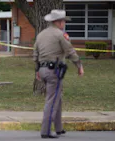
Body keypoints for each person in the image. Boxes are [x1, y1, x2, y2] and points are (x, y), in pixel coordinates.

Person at [33, 9, 84, 139]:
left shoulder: (41, 35)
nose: (64, 23)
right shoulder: (60, 35)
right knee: (52, 100)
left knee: (57, 98)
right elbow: (70, 51)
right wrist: (79, 65)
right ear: (58, 22)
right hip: (53, 71)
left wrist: (37, 70)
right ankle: (45, 131)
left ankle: (59, 128)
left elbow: (35, 54)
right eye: (63, 21)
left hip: (42, 70)